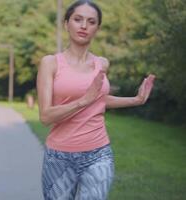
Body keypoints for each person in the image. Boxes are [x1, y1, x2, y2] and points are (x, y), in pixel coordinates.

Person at [36, 1, 155, 199]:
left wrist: (136, 100)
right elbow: (46, 116)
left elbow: (99, 100)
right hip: (59, 156)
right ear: (66, 24)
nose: (84, 26)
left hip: (98, 153)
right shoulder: (50, 63)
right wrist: (83, 100)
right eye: (77, 19)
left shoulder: (102, 63)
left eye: (91, 22)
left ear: (97, 29)